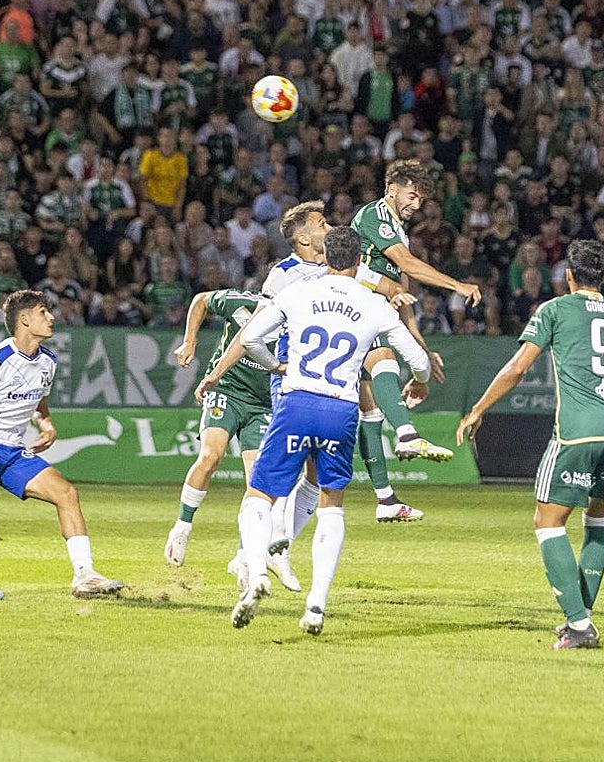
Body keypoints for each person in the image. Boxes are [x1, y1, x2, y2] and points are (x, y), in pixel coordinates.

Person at [456, 240, 604, 650]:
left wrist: (478, 408)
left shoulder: (555, 310)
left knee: (547, 523)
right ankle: (580, 620)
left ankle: (579, 623)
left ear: (569, 277)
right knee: (598, 523)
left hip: (578, 432)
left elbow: (518, 366)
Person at [230, 227, 432, 635]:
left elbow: (250, 337)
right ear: (359, 262)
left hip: (296, 401)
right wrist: (420, 380)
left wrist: (275, 366)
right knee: (332, 504)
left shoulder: (298, 293)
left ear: (325, 258)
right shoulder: (374, 303)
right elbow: (417, 358)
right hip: (341, 410)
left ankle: (255, 575)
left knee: (259, 495)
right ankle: (317, 605)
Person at [0, 290, 124, 601]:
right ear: (24, 319)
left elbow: (40, 403)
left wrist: (47, 424)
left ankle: (85, 575)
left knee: (67, 493)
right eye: (43, 312)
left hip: (14, 449)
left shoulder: (48, 362)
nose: (51, 317)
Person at [348, 159, 480, 504]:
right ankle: (406, 434)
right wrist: (457, 285)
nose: (415, 205)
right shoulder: (374, 216)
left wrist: (420, 345)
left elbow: (402, 293)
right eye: (411, 196)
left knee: (371, 408)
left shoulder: (398, 231)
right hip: (353, 305)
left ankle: (386, 500)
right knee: (384, 362)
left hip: (376, 310)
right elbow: (407, 266)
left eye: (420, 200)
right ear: (391, 188)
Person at [164, 287, 301, 592]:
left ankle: (243, 556)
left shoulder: (300, 322)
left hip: (263, 405)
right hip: (226, 389)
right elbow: (200, 300)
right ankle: (183, 526)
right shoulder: (242, 303)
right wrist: (189, 342)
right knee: (211, 456)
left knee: (257, 484)